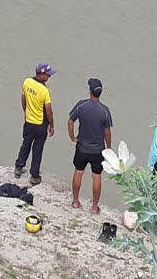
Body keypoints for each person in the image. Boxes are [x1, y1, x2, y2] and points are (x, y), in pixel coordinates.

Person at [68, 78, 113, 214]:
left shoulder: (81, 105)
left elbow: (70, 122)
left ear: (90, 91)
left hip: (81, 147)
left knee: (78, 172)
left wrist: (72, 137)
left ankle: (75, 202)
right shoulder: (105, 111)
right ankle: (94, 207)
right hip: (97, 150)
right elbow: (107, 132)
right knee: (96, 176)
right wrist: (108, 147)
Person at [14, 63, 56, 185]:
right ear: (42, 74)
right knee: (37, 149)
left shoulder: (27, 82)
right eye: (48, 74)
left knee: (25, 144)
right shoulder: (45, 91)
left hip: (29, 122)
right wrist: (52, 126)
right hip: (40, 124)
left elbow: (23, 99)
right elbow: (49, 111)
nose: (49, 77)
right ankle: (34, 175)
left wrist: (26, 113)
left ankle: (18, 167)